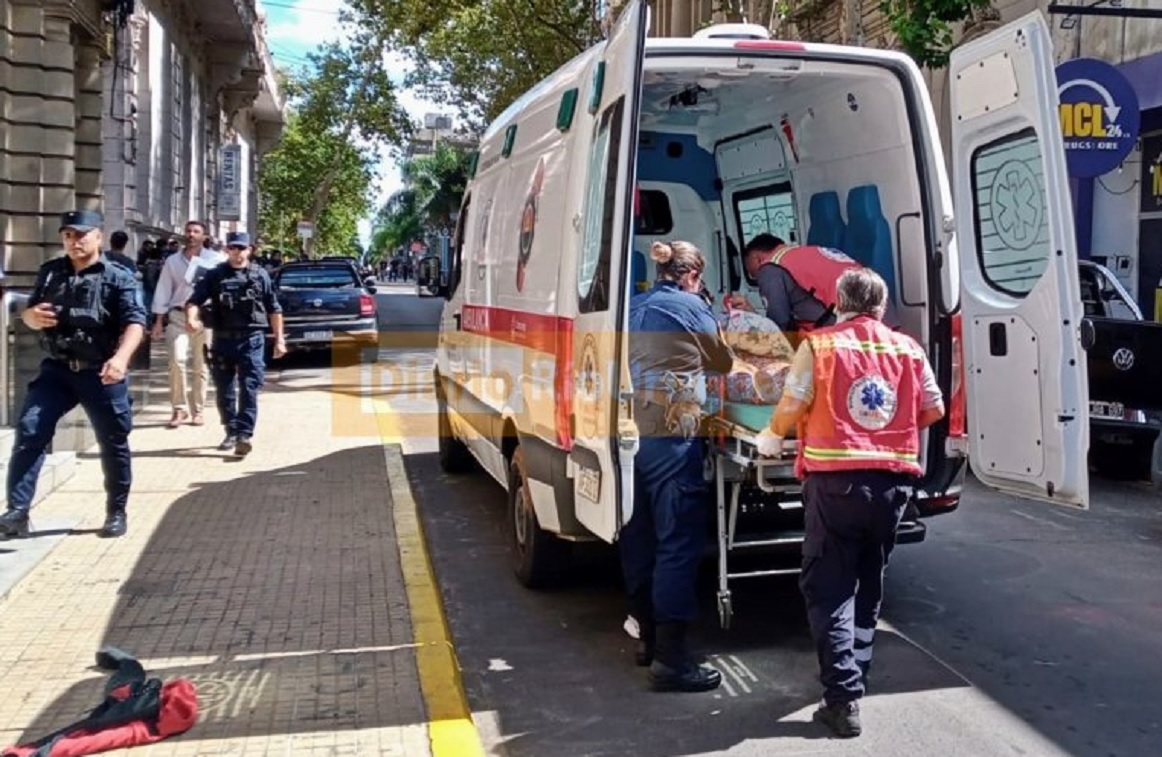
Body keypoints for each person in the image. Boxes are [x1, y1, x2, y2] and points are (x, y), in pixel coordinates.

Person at [755, 268, 944, 738]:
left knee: (829, 586)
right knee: (869, 574)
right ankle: (859, 665)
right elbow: (934, 408)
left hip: (836, 483)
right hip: (893, 485)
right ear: (880, 307)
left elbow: (794, 402)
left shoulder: (819, 346)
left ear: (839, 302)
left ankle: (842, 699)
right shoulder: (907, 348)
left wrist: (773, 436)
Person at [623, 240, 735, 693]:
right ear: (691, 276)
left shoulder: (633, 304)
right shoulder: (690, 306)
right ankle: (671, 659)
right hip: (672, 435)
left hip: (631, 431)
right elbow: (722, 362)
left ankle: (646, 639)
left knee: (639, 535)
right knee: (678, 542)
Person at [0, 210, 147, 539]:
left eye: (81, 235)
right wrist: (31, 316)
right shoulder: (51, 273)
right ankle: (18, 512)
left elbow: (136, 322)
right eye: (68, 235)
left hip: (101, 372)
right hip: (58, 371)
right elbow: (30, 313)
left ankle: (116, 510)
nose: (74, 241)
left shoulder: (118, 276)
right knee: (30, 430)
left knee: (114, 441)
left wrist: (121, 359)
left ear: (98, 236)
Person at [185, 232, 285, 456]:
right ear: (227, 249)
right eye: (233, 248)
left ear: (249, 249)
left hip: (252, 339)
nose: (237, 252)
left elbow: (274, 309)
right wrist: (191, 318)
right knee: (225, 390)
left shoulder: (261, 276)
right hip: (223, 339)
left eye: (241, 248)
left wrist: (279, 339)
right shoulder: (215, 275)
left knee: (249, 388)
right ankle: (231, 430)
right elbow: (194, 301)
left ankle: (244, 435)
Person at [150, 220, 226, 428]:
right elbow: (163, 289)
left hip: (205, 318)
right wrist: (158, 320)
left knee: (201, 366)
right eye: (188, 231)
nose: (191, 235)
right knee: (176, 361)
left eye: (196, 231)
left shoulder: (216, 260)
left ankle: (198, 410)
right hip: (177, 316)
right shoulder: (172, 261)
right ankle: (179, 408)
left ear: (204, 236)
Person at [727, 233, 863, 337]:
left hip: (839, 328)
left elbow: (778, 327)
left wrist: (751, 314)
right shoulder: (806, 252)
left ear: (758, 258)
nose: (756, 278)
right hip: (862, 315)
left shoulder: (769, 269)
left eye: (753, 274)